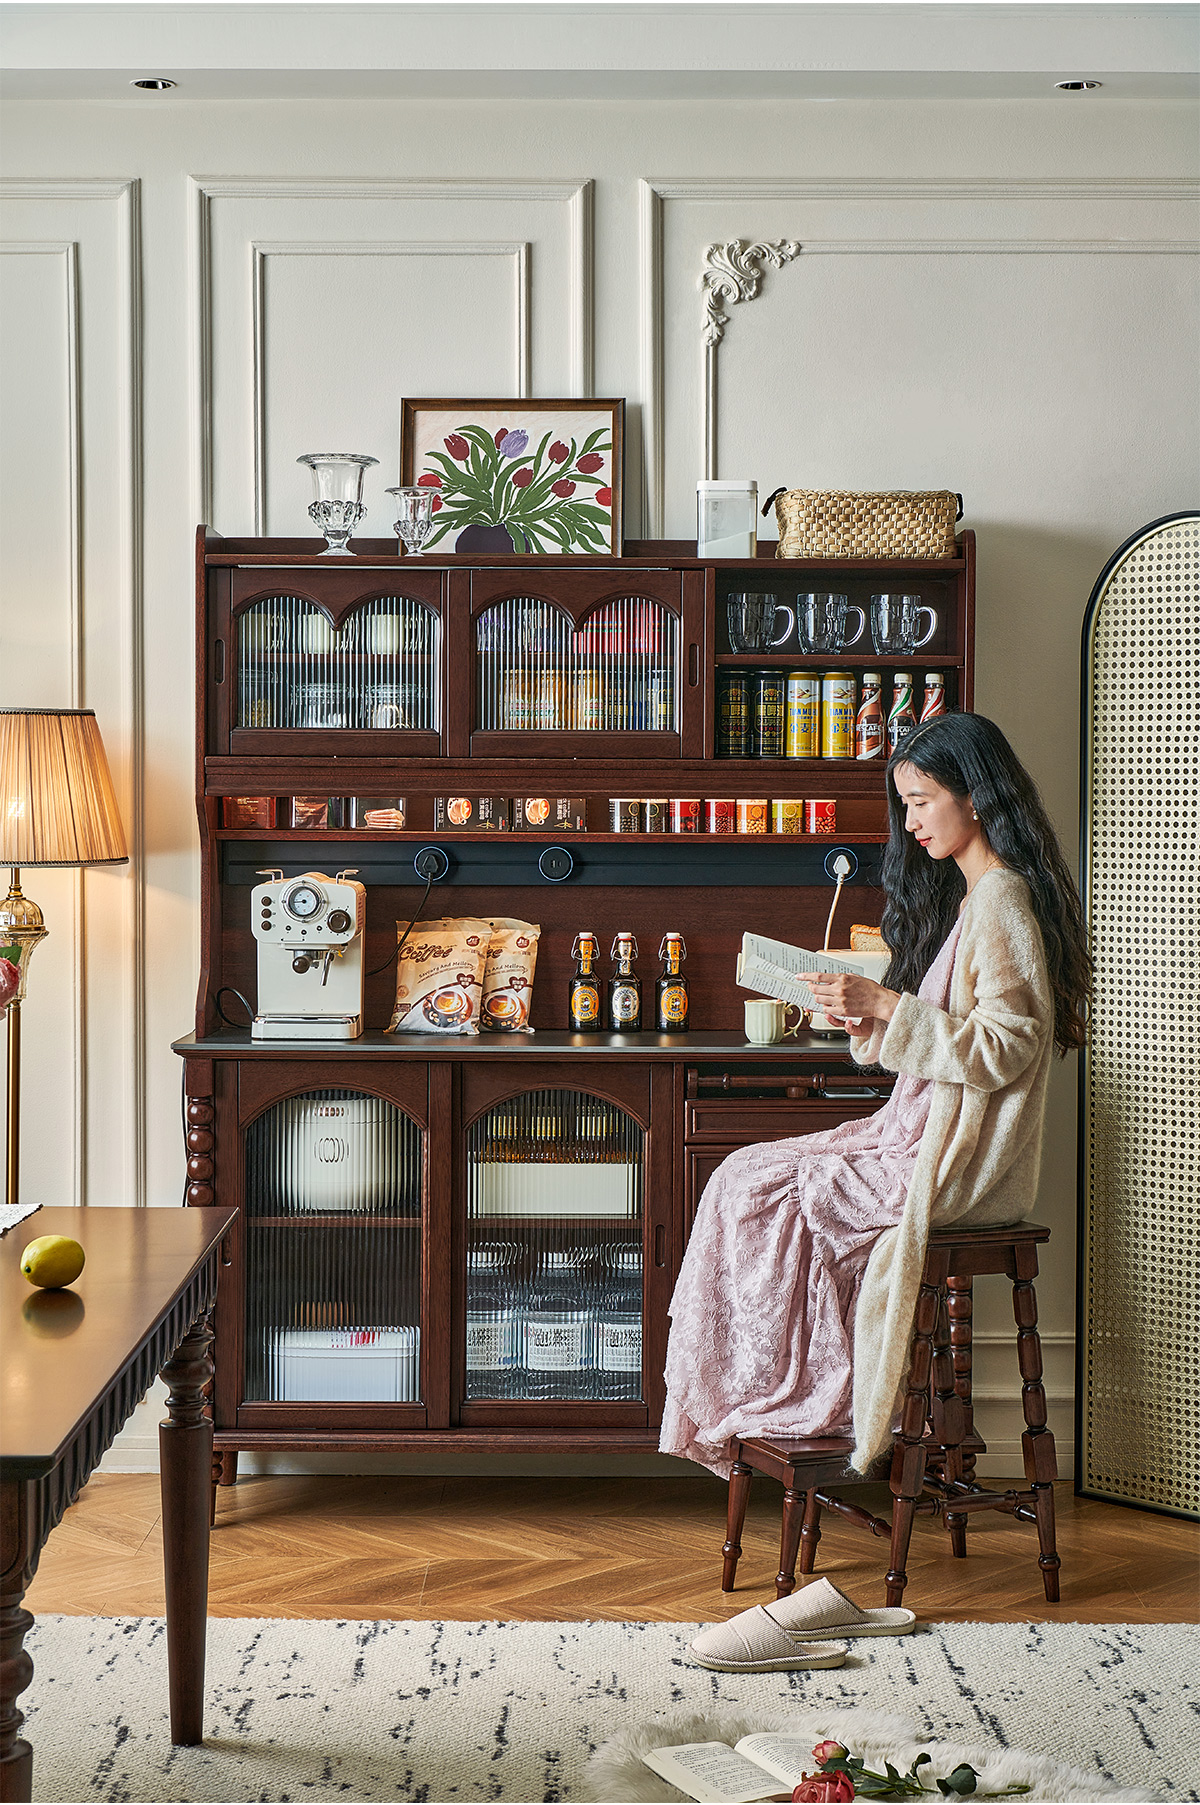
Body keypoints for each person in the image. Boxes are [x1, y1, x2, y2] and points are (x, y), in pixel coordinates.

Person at [660, 712, 1091, 1477]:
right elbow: (948, 1042)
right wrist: (868, 1018)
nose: (911, 821)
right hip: (917, 1136)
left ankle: (789, 1397)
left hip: (955, 1163)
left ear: (975, 795)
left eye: (922, 800)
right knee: (742, 1175)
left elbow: (1008, 1047)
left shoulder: (1001, 900)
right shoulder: (973, 899)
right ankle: (784, 1394)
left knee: (752, 1184)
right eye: (906, 804)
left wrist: (889, 1004)